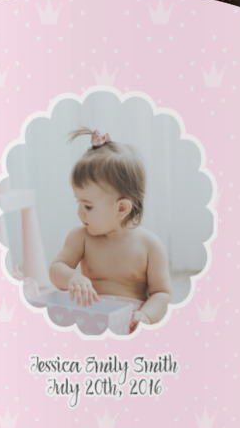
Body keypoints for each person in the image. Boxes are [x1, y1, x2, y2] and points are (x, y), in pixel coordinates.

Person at [48, 128, 171, 325]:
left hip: (128, 322)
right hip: (91, 317)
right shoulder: (81, 237)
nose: (79, 213)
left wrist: (145, 316)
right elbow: (56, 269)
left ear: (121, 208)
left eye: (88, 206)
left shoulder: (150, 246)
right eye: (78, 202)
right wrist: (72, 278)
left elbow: (161, 293)